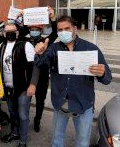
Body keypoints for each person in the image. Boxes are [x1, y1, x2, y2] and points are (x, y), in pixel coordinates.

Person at [34, 15, 112, 147]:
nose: (63, 32)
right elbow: (41, 64)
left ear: (74, 29)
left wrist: (102, 73)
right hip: (60, 104)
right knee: (57, 140)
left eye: (67, 28)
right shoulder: (54, 48)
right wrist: (39, 53)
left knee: (82, 143)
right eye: (60, 30)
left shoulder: (90, 48)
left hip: (83, 105)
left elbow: (108, 78)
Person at [0, 22, 38, 147]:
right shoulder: (1, 46)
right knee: (13, 113)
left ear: (17, 32)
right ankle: (14, 133)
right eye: (7, 31)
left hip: (23, 88)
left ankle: (23, 142)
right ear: (3, 33)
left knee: (23, 116)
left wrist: (32, 85)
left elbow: (34, 66)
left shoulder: (26, 45)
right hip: (7, 88)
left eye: (13, 31)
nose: (10, 33)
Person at [27, 7, 58, 132]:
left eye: (37, 29)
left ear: (41, 30)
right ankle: (25, 119)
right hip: (28, 77)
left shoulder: (46, 41)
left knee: (40, 101)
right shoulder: (25, 41)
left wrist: (52, 19)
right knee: (26, 101)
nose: (34, 31)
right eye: (32, 29)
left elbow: (55, 33)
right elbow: (19, 29)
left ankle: (37, 119)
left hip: (43, 77)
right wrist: (22, 16)